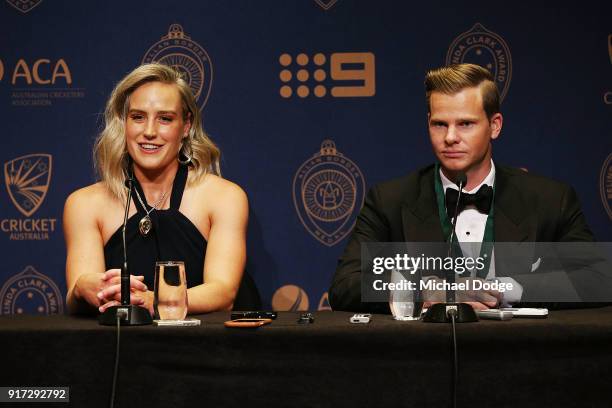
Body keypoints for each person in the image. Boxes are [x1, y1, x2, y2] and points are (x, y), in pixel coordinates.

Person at [329, 63, 596, 313]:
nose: (450, 137)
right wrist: (425, 290)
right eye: (439, 124)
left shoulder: (550, 198)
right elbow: (345, 285)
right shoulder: (390, 200)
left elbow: (597, 278)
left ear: (495, 126)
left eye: (465, 124)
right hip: (425, 357)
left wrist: (505, 289)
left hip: (519, 357)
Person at [64, 63, 249, 315]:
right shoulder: (84, 204)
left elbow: (223, 292)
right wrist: (81, 288)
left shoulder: (225, 198)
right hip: (120, 351)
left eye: (165, 119)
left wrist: (153, 299)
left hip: (209, 348)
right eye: (138, 117)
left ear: (186, 126)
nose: (149, 132)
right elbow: (79, 296)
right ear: (123, 123)